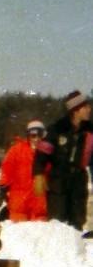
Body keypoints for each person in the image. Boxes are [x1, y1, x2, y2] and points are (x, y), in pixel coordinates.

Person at [33, 90, 93, 230]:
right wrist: (38, 174)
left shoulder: (89, 130)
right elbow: (41, 154)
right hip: (58, 181)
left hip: (78, 180)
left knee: (77, 220)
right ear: (75, 110)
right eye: (85, 107)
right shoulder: (57, 129)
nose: (89, 109)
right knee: (58, 222)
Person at [0, 120, 48, 221]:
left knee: (40, 233)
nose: (36, 139)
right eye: (33, 136)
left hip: (40, 204)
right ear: (28, 136)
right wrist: (3, 189)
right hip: (19, 203)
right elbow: (7, 171)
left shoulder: (48, 152)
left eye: (39, 136)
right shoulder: (16, 151)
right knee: (19, 233)